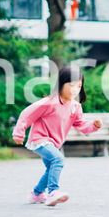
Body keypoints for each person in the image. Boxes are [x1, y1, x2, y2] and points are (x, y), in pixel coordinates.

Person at [12, 66, 102, 206]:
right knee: (58, 159)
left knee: (51, 169)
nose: (75, 90)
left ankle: (36, 194)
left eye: (78, 86)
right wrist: (19, 133)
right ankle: (52, 192)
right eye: (71, 85)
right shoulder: (49, 102)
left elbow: (81, 125)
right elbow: (27, 114)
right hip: (39, 140)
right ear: (61, 84)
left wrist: (94, 125)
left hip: (53, 144)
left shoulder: (75, 107)